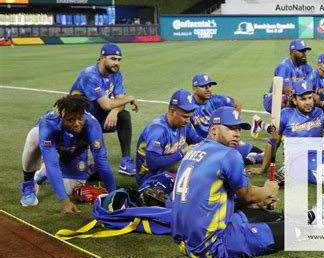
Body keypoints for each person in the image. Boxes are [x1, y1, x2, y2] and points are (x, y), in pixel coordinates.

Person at [171, 106, 324, 258]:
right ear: (213, 130)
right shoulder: (229, 154)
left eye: (238, 129)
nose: (237, 134)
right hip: (211, 246)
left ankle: (308, 217)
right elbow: (247, 194)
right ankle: (309, 226)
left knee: (258, 212)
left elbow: (230, 198)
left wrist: (259, 200)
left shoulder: (193, 151)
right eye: (231, 128)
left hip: (186, 243)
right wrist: (267, 191)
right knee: (280, 232)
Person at [20, 95, 116, 213]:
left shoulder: (92, 125)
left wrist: (113, 194)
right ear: (61, 118)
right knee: (33, 138)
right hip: (57, 143)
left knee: (70, 189)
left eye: (80, 118)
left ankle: (86, 170)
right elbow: (52, 164)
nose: (77, 123)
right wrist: (64, 202)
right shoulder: (48, 124)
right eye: (71, 120)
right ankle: (28, 184)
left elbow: (101, 161)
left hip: (76, 147)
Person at [70, 43, 139, 176]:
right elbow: (106, 105)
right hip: (77, 121)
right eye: (113, 59)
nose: (117, 63)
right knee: (76, 171)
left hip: (96, 115)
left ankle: (125, 162)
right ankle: (46, 170)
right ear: (102, 58)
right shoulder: (90, 74)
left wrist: (115, 111)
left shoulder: (116, 74)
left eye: (119, 60)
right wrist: (129, 98)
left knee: (124, 116)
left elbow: (118, 100)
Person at [135, 89, 202, 194]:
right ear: (172, 111)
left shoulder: (185, 125)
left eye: (189, 117)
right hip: (149, 176)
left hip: (170, 168)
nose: (187, 120)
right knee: (189, 168)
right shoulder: (158, 130)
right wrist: (182, 153)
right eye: (184, 116)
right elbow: (152, 163)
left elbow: (198, 142)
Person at [190, 73, 263, 165]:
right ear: (194, 89)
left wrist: (233, 126)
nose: (208, 89)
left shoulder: (215, 99)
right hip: (205, 147)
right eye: (204, 86)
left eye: (209, 86)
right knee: (223, 163)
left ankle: (247, 160)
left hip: (224, 141)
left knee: (262, 155)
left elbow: (237, 104)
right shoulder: (188, 107)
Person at [262, 39, 313, 114]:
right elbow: (287, 90)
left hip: (295, 96)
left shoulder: (308, 67)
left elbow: (309, 87)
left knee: (312, 98)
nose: (304, 54)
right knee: (291, 98)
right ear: (292, 52)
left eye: (305, 51)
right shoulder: (284, 67)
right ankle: (280, 123)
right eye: (300, 51)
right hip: (273, 99)